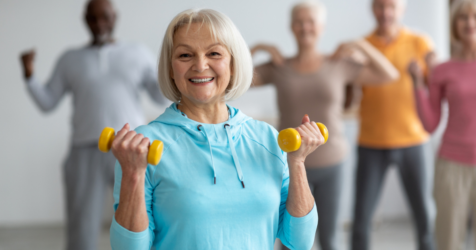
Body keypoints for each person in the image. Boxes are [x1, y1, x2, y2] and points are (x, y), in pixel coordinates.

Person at [109, 8, 323, 250]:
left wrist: (297, 163)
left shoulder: (267, 138)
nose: (200, 65)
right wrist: (133, 174)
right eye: (185, 55)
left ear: (232, 63)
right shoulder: (143, 146)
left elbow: (299, 242)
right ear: (170, 68)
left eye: (214, 53)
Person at [19, 0, 167, 249]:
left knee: (144, 219)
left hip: (131, 149)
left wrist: (169, 72)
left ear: (114, 17)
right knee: (82, 226)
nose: (99, 24)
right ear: (85, 20)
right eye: (93, 18)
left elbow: (160, 97)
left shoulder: (138, 53)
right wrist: (29, 75)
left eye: (105, 17)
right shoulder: (70, 59)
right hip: (84, 151)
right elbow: (47, 102)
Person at [250, 1, 399, 249]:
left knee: (329, 239)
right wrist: (259, 48)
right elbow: (232, 78)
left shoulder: (337, 64)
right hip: (289, 166)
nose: (305, 27)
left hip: (332, 163)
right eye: (299, 21)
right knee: (290, 241)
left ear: (321, 27)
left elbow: (390, 74)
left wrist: (360, 45)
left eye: (311, 21)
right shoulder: (279, 67)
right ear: (292, 27)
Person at [351, 0, 436, 249]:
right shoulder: (362, 47)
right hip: (370, 142)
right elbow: (353, 96)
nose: (385, 12)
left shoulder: (420, 42)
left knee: (424, 216)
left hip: (414, 141)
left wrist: (422, 76)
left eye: (391, 6)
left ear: (402, 9)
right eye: (380, 6)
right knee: (361, 219)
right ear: (372, 9)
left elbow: (436, 90)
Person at [409, 0, 476, 249]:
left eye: (474, 16)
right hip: (452, 165)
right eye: (463, 18)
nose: (470, 23)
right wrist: (417, 84)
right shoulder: (442, 70)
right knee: (448, 242)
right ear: (454, 24)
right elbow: (429, 123)